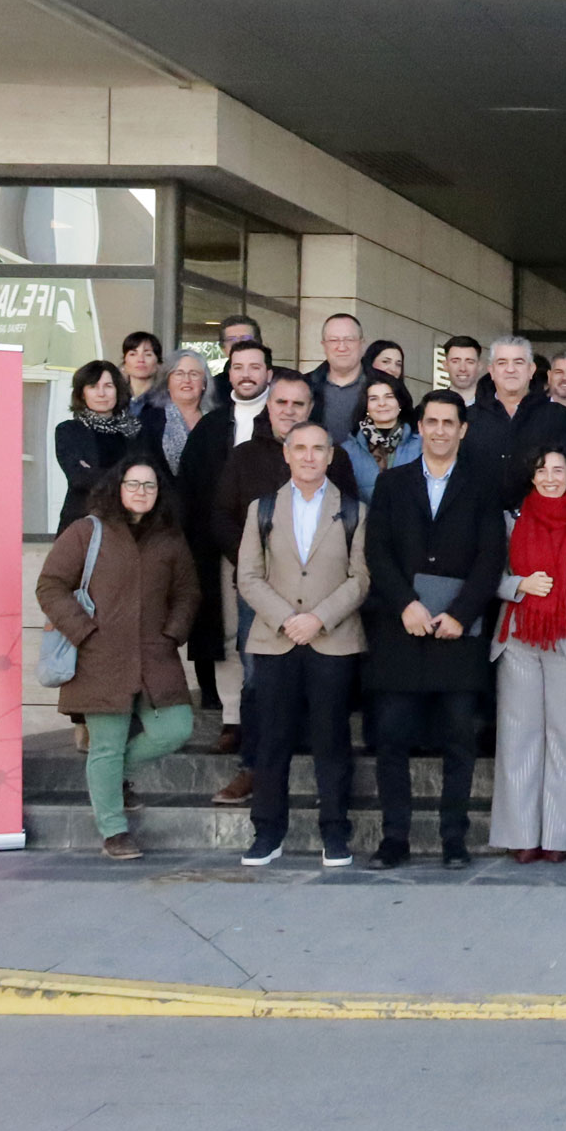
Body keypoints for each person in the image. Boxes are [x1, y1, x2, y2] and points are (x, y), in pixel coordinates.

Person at [34, 458, 198, 860]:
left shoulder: (169, 537)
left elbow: (188, 593)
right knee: (105, 745)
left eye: (150, 486)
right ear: (117, 487)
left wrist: (172, 633)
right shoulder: (87, 531)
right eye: (133, 484)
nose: (141, 492)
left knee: (175, 728)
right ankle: (114, 830)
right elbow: (51, 586)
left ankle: (114, 777)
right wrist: (84, 632)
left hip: (154, 654)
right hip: (99, 656)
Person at [364, 390, 499, 870]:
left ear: (463, 429)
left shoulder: (483, 485)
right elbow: (376, 551)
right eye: (432, 421)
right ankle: (394, 837)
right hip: (402, 630)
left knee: (460, 741)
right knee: (393, 738)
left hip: (458, 633)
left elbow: (491, 558)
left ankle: (453, 839)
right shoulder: (392, 484)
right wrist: (406, 604)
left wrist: (461, 613)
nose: (440, 430)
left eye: (450, 422)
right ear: (418, 427)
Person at [209, 372, 355, 806]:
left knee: (323, 687)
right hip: (263, 597)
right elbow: (221, 517)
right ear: (268, 407)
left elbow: (349, 526)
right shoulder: (243, 457)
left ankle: (320, 777)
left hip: (323, 601)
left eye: (298, 404)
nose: (289, 411)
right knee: (257, 685)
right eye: (281, 403)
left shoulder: (336, 459)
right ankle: (253, 768)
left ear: (311, 409)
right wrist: (256, 570)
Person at [233, 420, 369, 868]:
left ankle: (335, 832)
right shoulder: (263, 508)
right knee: (272, 741)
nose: (309, 456)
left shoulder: (353, 511)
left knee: (331, 740)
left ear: (331, 455)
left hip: (333, 640)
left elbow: (361, 579)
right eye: (301, 448)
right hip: (276, 640)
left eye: (318, 449)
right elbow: (248, 576)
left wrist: (318, 619)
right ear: (286, 454)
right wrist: (288, 619)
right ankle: (267, 832)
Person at [490, 443, 566, 865]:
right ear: (531, 476)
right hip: (518, 639)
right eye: (542, 470)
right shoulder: (511, 521)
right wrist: (517, 586)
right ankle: (521, 834)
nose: (550, 478)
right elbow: (484, 571)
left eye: (558, 470)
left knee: (564, 737)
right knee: (519, 738)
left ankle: (558, 834)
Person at [178, 340, 272, 723]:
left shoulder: (284, 418)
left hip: (280, 551)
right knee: (230, 635)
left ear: (269, 372)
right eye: (238, 367)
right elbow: (191, 489)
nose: (246, 374)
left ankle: (268, 717)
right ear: (228, 373)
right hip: (222, 549)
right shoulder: (212, 426)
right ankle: (233, 719)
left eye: (255, 366)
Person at [53, 360, 151, 530]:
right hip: (82, 523)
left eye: (108, 386)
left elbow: (146, 476)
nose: (101, 393)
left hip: (129, 525)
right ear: (82, 393)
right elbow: (79, 478)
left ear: (118, 390)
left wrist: (95, 472)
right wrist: (128, 479)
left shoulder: (136, 430)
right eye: (93, 387)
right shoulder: (69, 430)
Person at [462, 336, 550, 505]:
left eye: (518, 362)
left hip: (537, 522)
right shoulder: (467, 418)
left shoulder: (558, 417)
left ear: (531, 369)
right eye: (502, 363)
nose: (510, 369)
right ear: (491, 371)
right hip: (480, 520)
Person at [339, 372, 418, 495]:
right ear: (366, 406)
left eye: (389, 397)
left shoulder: (421, 445)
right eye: (374, 398)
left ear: (400, 402)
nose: (382, 403)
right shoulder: (348, 450)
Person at [305, 312, 369, 447]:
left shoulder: (384, 385)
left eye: (349, 340)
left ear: (362, 344)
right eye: (334, 340)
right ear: (323, 345)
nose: (342, 347)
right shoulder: (305, 385)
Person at [151, 348, 214, 478]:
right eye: (179, 373)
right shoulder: (150, 420)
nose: (186, 380)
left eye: (194, 374)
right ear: (167, 382)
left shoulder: (217, 421)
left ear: (204, 383)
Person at [119, 330, 164, 412]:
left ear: (158, 363)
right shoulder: (114, 399)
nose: (140, 360)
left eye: (148, 354)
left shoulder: (167, 400)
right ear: (124, 362)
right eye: (133, 354)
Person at [441, 335, 485, 406]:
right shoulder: (430, 407)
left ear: (479, 366)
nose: (462, 369)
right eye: (455, 361)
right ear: (445, 365)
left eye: (470, 362)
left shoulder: (498, 409)